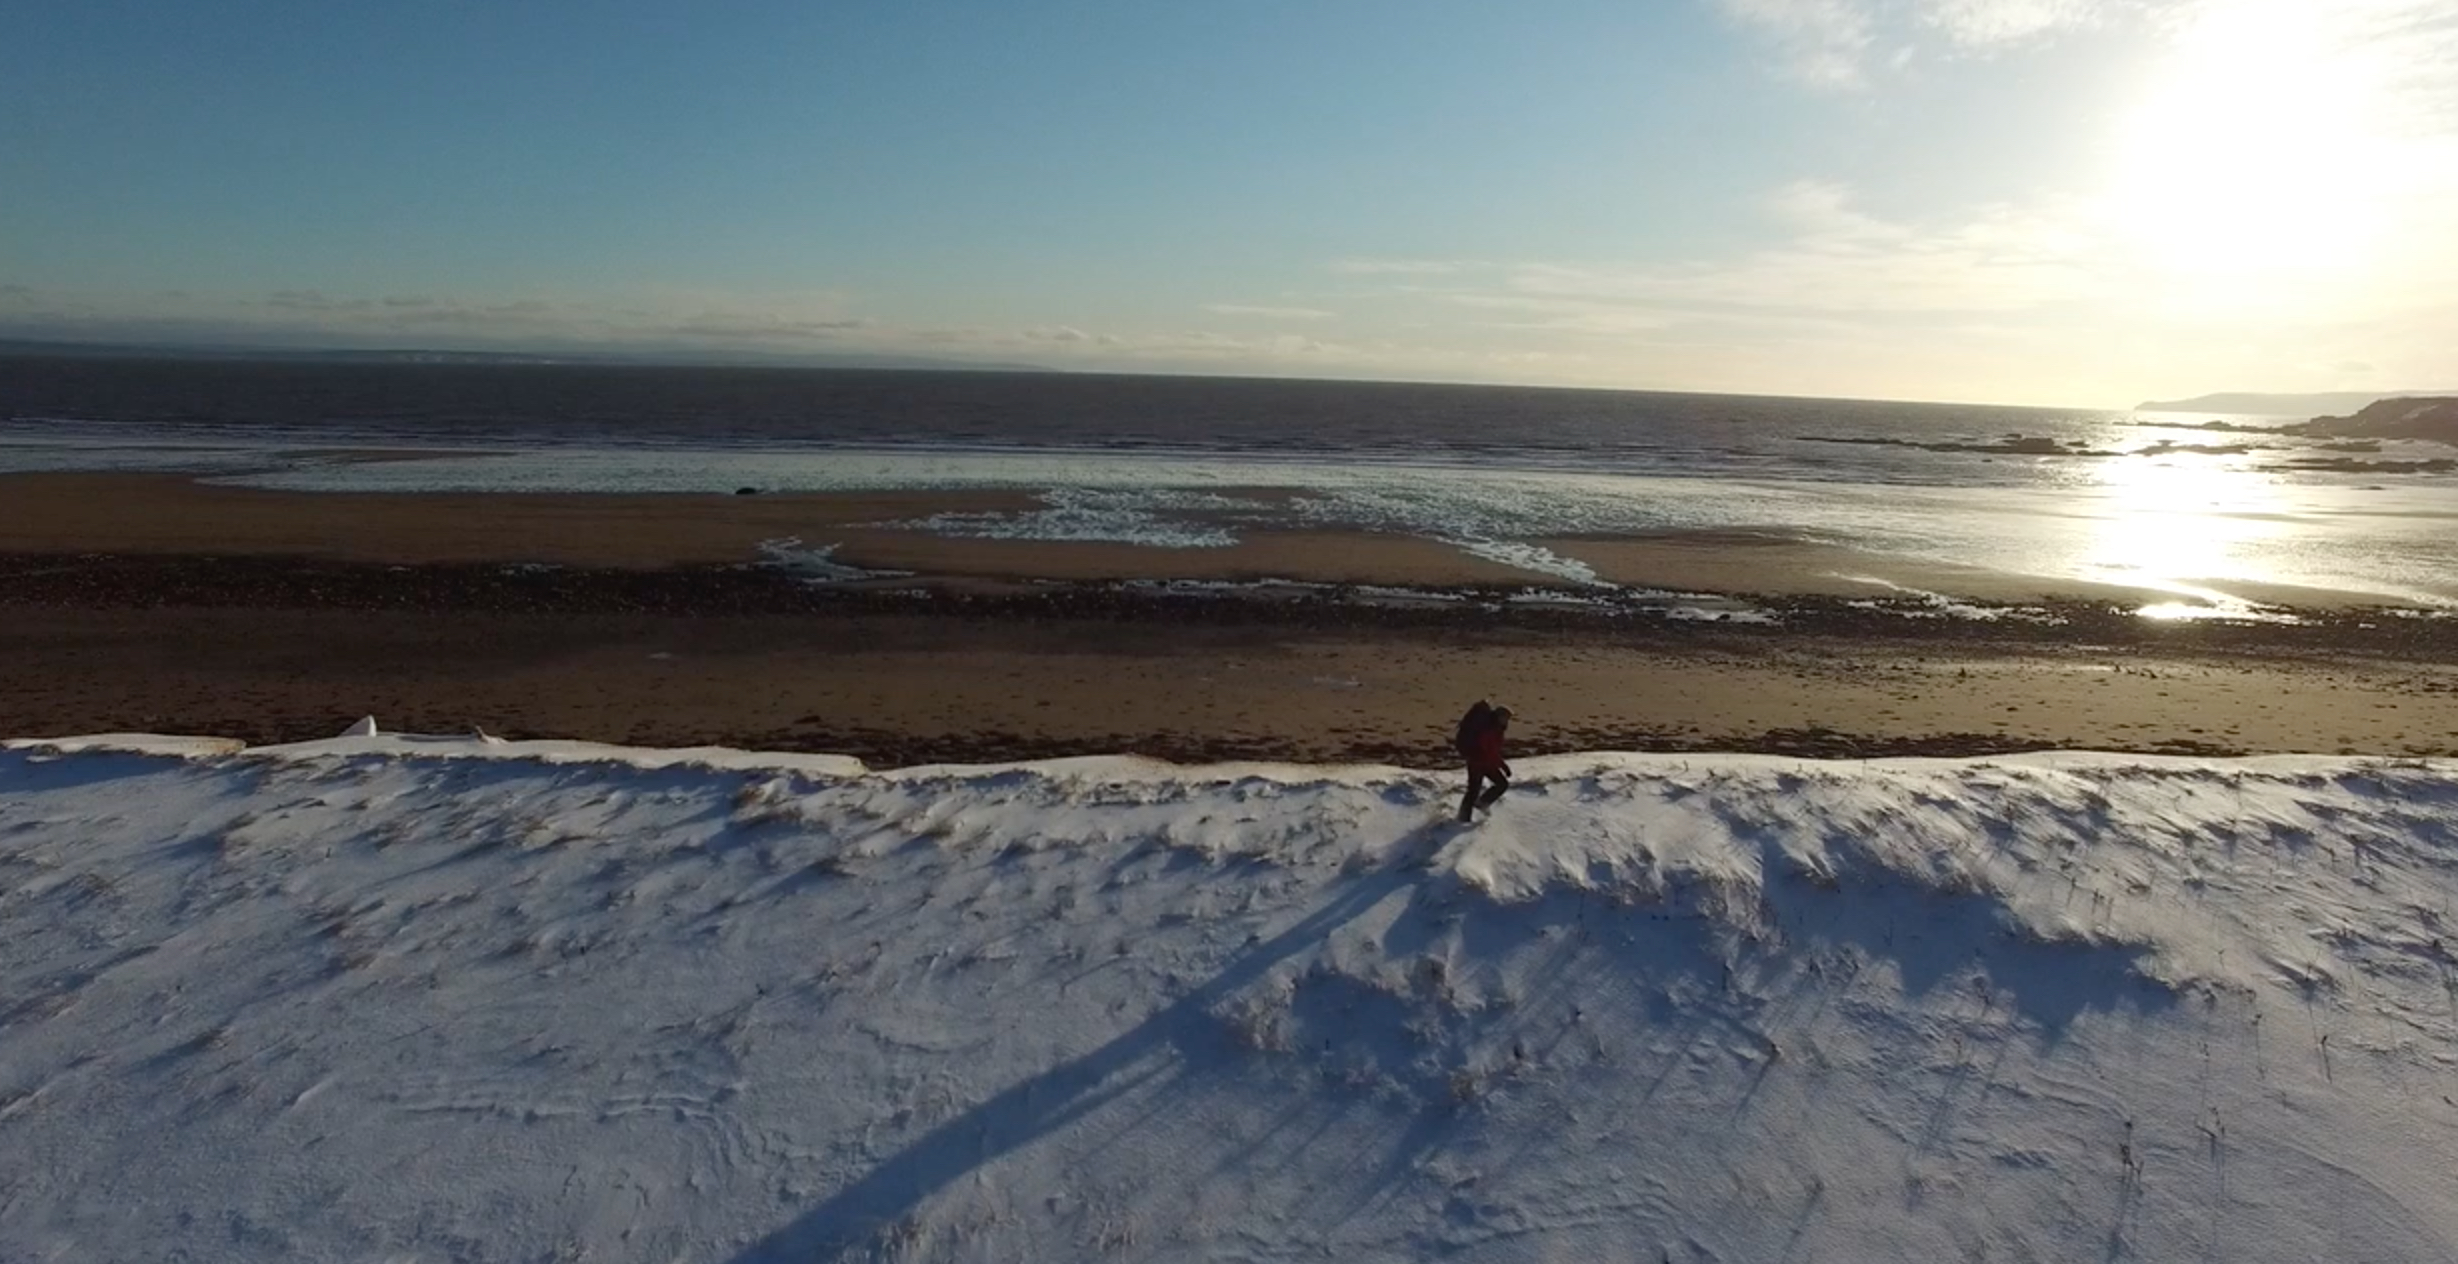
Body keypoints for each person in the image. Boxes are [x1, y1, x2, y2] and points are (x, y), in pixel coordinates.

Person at [1456, 702, 1513, 822]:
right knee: (1473, 791)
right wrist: (1502, 766)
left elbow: (1493, 752)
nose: (1507, 721)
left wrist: (1503, 765)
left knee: (1500, 785)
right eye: (1505, 718)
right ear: (1499, 716)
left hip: (1486, 764)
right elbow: (1489, 751)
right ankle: (1463, 818)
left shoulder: (1497, 729)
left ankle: (1480, 804)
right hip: (1477, 763)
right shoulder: (1490, 729)